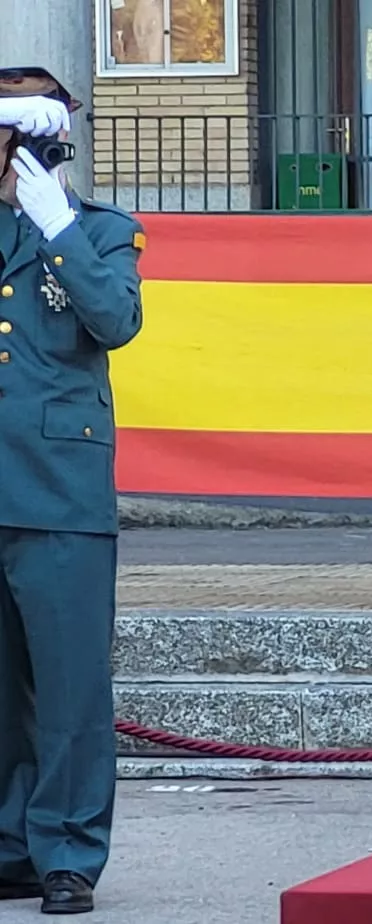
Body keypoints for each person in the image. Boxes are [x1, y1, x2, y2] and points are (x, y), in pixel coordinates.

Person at [0, 65, 147, 916]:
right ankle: (10, 846)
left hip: (59, 490)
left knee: (69, 688)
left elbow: (116, 321)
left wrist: (57, 227)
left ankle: (67, 852)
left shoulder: (99, 230)